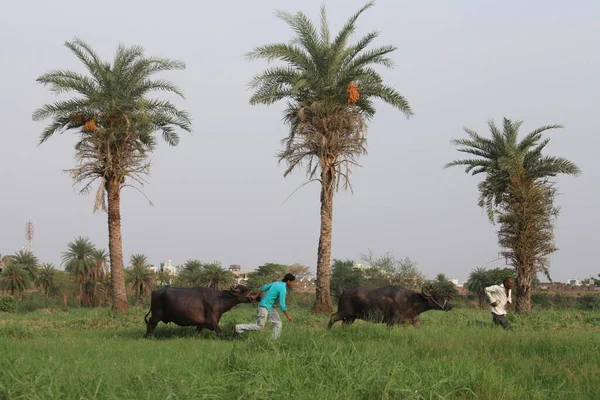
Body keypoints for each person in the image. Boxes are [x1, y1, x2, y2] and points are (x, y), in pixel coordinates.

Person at [234, 273, 295, 339]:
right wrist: (288, 316)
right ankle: (238, 327)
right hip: (264, 307)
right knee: (260, 326)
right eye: (292, 282)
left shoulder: (276, 283)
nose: (292, 284)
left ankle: (274, 341)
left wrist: (255, 296)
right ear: (288, 281)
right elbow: (282, 305)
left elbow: (264, 287)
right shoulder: (283, 288)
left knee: (278, 323)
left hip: (270, 307)